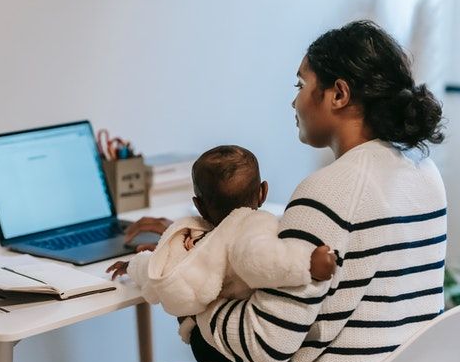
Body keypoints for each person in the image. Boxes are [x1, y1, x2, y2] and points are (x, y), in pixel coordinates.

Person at [134, 20, 447, 362]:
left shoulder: (328, 190)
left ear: (338, 95)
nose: (294, 100)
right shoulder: (424, 173)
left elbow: (264, 346)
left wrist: (187, 280)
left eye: (301, 84)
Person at [106, 145, 336, 344]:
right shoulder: (254, 228)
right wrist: (308, 263)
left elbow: (157, 272)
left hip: (215, 344)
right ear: (263, 192)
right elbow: (266, 259)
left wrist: (132, 265)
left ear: (199, 206)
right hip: (234, 339)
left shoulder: (198, 245)